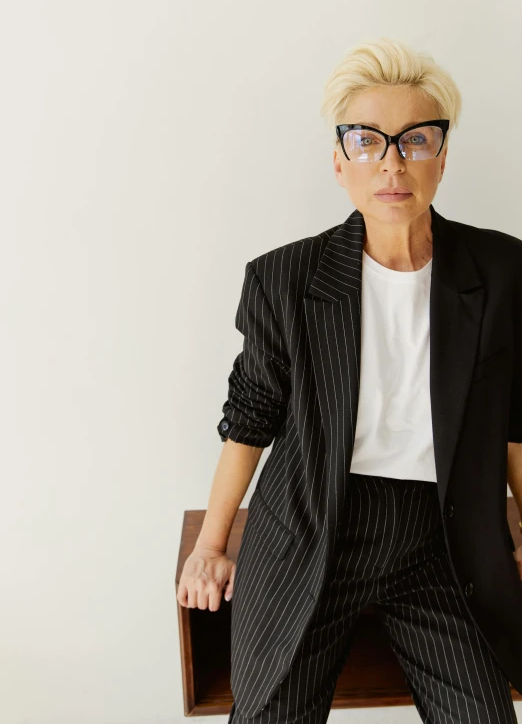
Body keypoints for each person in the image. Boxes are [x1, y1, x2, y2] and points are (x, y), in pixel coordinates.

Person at [177, 37, 522, 723]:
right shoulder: (286, 279)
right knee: (271, 712)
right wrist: (211, 547)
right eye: (368, 141)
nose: (392, 162)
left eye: (416, 140)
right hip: (313, 524)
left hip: (439, 537)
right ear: (340, 162)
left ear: (442, 157)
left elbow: (515, 417)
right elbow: (250, 417)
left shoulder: (501, 270)